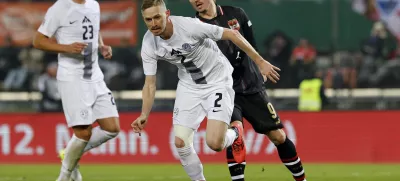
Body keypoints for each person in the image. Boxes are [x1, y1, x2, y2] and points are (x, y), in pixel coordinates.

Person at [131, 0, 280, 180]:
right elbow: (150, 83)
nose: (153, 23)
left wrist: (260, 61)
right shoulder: (149, 43)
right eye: (148, 19)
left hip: (218, 81)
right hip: (189, 86)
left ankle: (236, 133)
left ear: (167, 14)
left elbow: (233, 35)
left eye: (157, 17)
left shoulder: (190, 27)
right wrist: (144, 114)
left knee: (214, 143)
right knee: (180, 143)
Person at [189, 0, 307, 181]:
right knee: (235, 136)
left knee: (278, 136)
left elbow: (251, 43)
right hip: (224, 90)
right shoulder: (192, 28)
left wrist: (260, 64)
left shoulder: (236, 14)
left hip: (250, 85)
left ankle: (301, 179)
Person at [33, 0, 120, 180]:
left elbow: (94, 29)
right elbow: (38, 41)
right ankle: (64, 177)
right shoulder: (60, 8)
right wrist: (65, 48)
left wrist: (101, 45)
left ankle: (69, 153)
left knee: (112, 128)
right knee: (83, 133)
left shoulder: (94, 5)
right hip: (72, 77)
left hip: (95, 75)